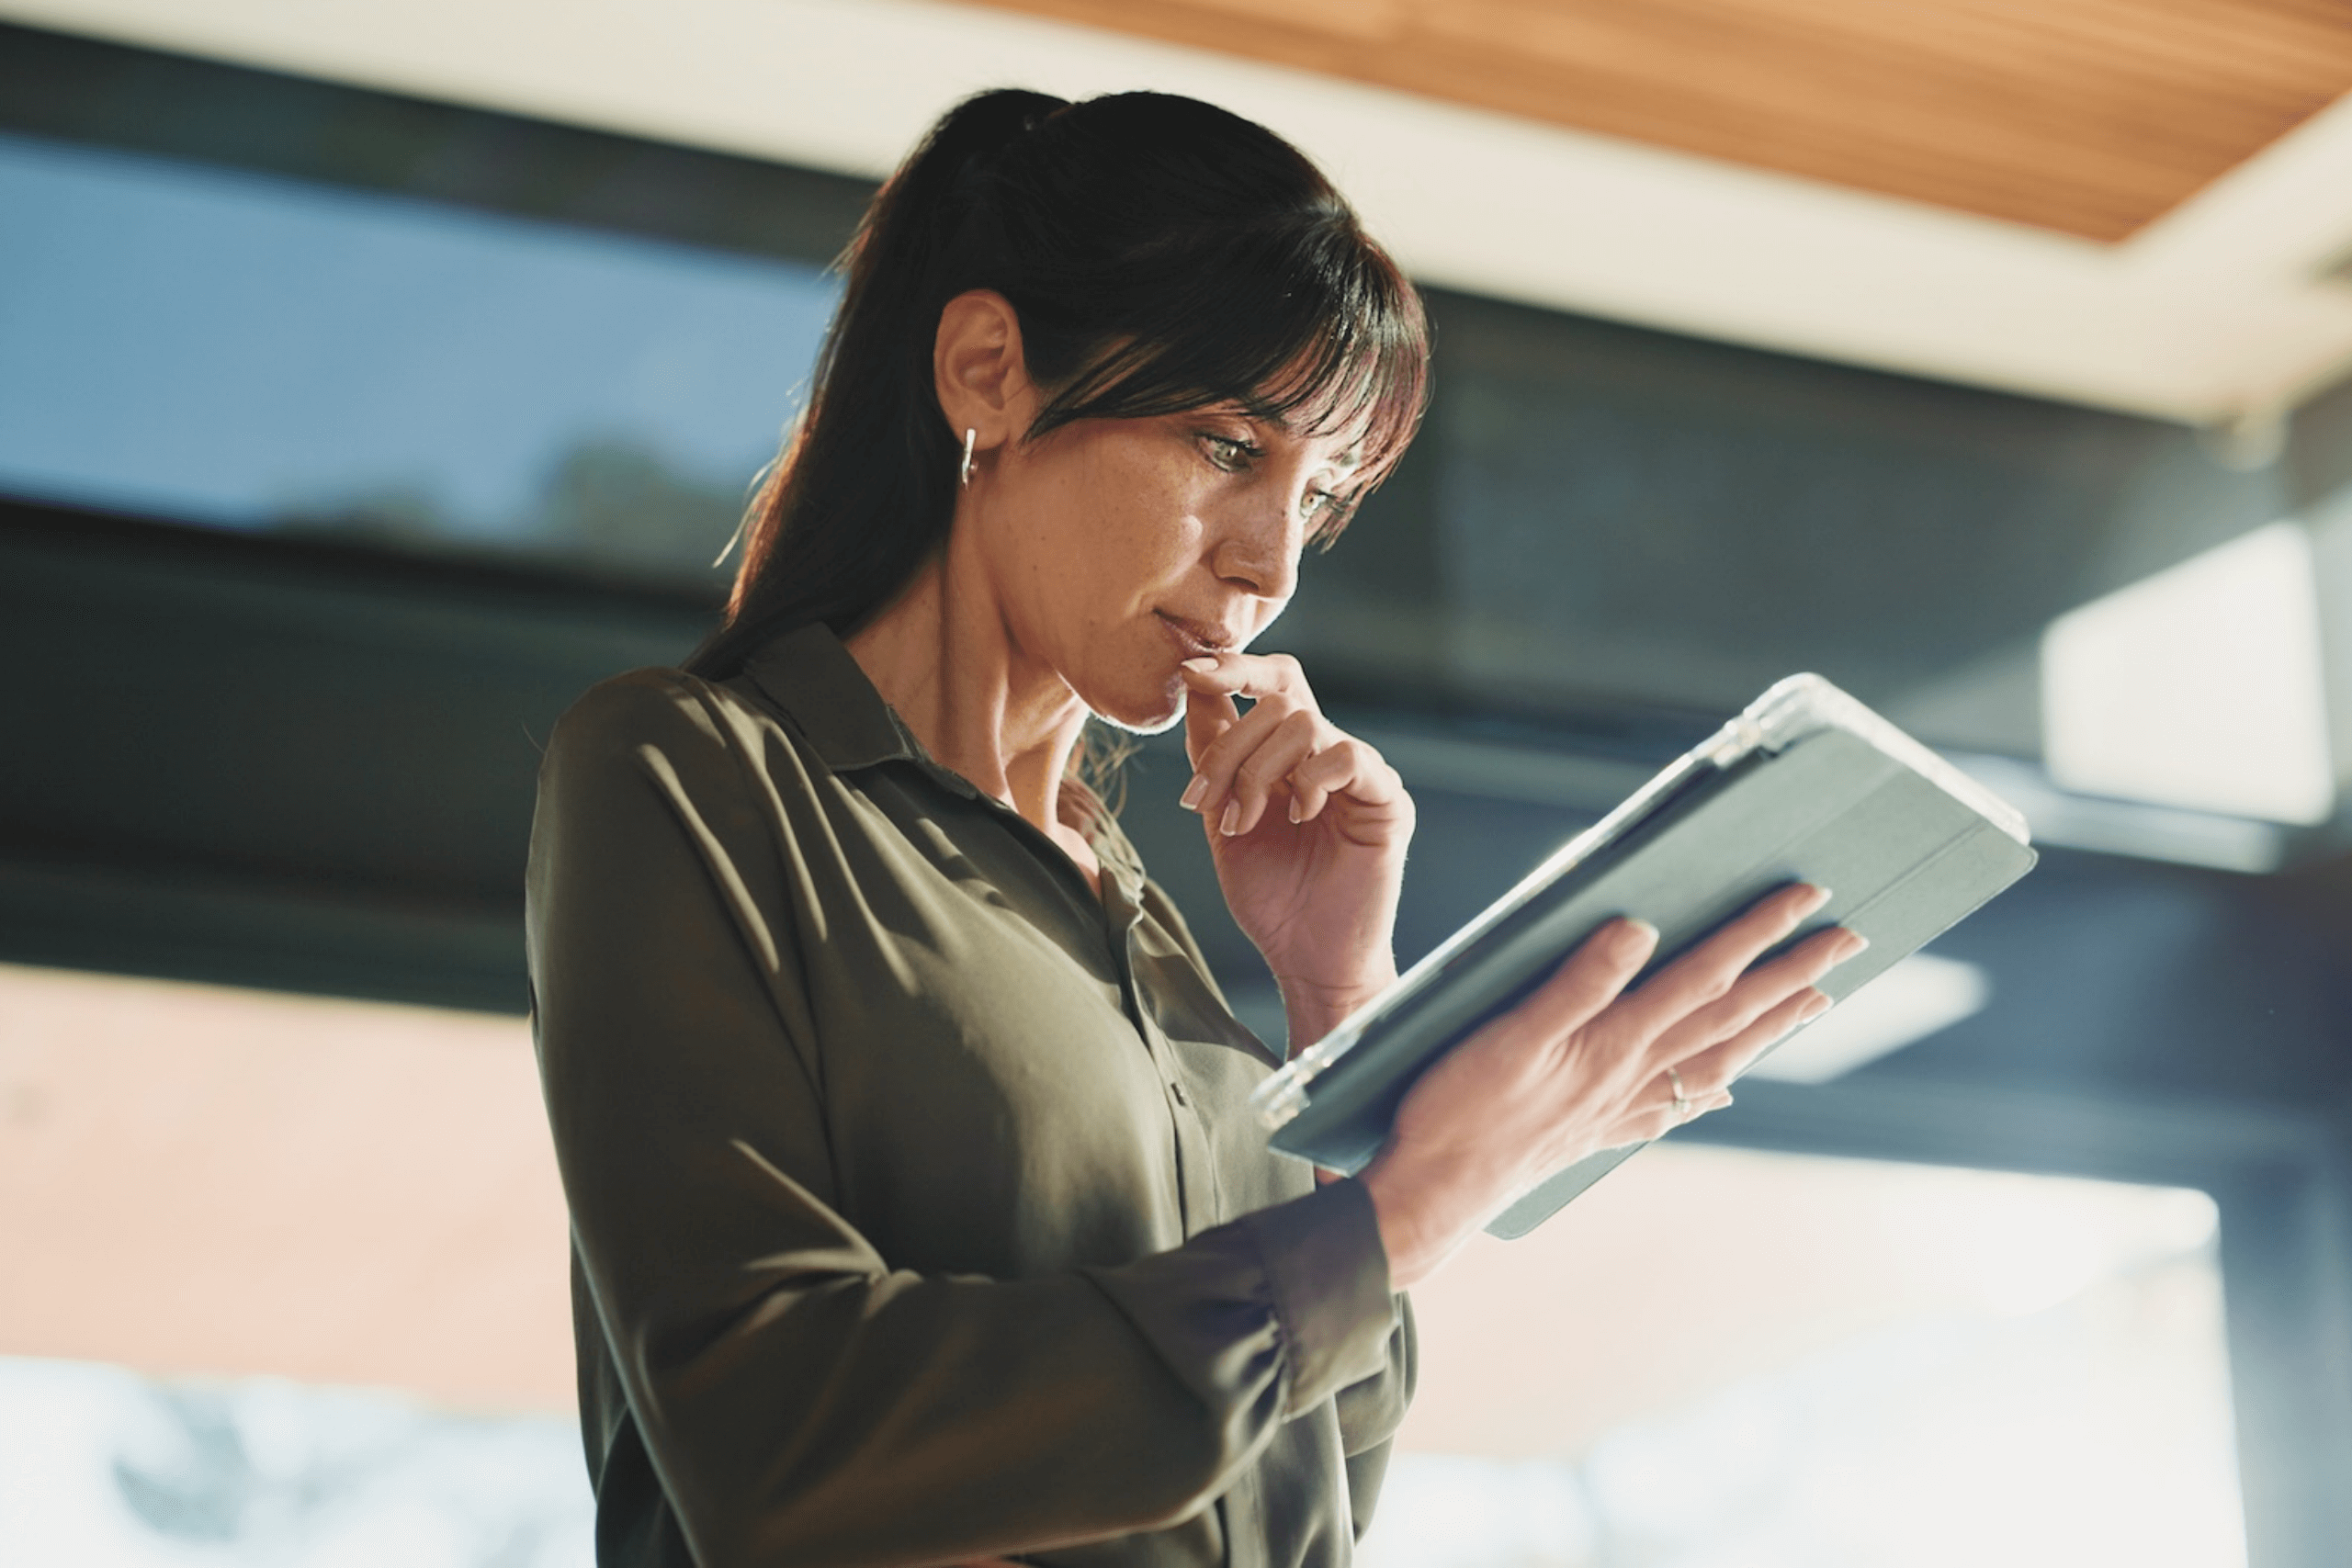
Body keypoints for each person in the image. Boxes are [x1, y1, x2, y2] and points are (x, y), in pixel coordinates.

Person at [526, 88, 1860, 1568]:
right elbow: (779, 1444)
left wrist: (1339, 1012)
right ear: (988, 374)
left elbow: (1316, 1502)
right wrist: (1410, 1209)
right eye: (1230, 447)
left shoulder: (1149, 918)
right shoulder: (694, 772)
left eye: (1322, 491)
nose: (1272, 559)